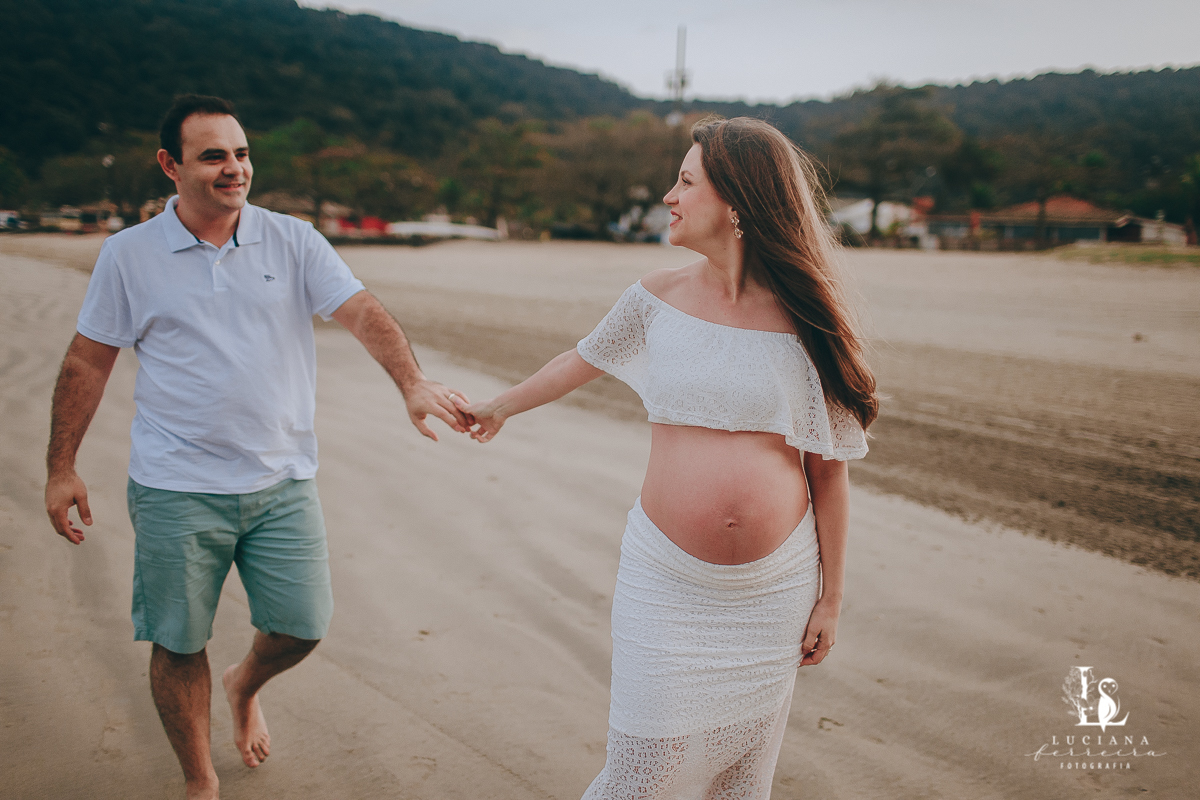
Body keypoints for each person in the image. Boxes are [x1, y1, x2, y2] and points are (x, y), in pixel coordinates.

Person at [43, 94, 472, 800]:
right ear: (169, 165)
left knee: (303, 627)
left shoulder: (293, 239)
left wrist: (412, 383)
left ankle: (244, 685)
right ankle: (200, 778)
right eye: (213, 155)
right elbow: (88, 362)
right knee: (178, 641)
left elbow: (361, 310)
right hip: (175, 484)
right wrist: (61, 467)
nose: (234, 168)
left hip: (282, 480)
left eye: (241, 153)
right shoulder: (128, 256)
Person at [457, 116, 878, 798]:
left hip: (774, 595)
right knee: (641, 778)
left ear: (738, 204)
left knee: (740, 780)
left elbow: (828, 471)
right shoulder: (658, 297)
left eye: (685, 181)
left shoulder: (810, 320)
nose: (667, 196)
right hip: (667, 585)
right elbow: (581, 357)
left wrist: (832, 598)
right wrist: (499, 406)